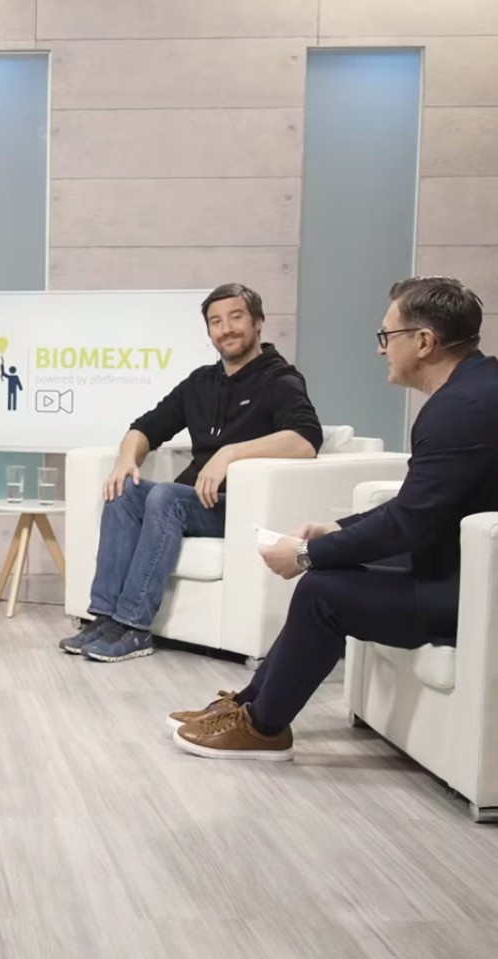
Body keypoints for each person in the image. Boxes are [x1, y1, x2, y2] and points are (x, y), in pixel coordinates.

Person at [173, 276, 498, 761]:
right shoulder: (477, 388)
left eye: (387, 335)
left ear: (424, 342)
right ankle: (248, 703)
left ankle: (263, 728)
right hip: (461, 565)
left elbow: (406, 525)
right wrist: (339, 530)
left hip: (475, 592)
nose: (381, 349)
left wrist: (307, 554)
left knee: (322, 592)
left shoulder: (459, 409)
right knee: (328, 574)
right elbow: (422, 504)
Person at [59, 282, 324, 662]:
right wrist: (126, 460)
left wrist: (230, 454)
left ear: (258, 322)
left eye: (236, 317)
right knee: (125, 488)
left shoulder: (279, 379)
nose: (226, 329)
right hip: (194, 502)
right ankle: (103, 618)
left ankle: (134, 627)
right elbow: (145, 427)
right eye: (216, 322)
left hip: (238, 508)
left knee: (165, 496)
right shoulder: (200, 382)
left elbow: (305, 439)